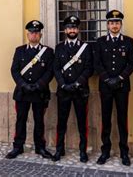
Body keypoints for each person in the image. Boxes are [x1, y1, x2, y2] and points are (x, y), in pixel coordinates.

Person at [6, 20, 54, 160]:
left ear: (40, 34)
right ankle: (18, 147)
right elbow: (14, 70)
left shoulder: (48, 52)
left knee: (39, 121)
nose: (34, 35)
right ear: (28, 34)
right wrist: (23, 84)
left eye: (37, 32)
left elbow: (50, 71)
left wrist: (39, 84)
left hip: (40, 92)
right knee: (20, 120)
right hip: (22, 92)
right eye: (32, 32)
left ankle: (40, 147)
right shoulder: (19, 50)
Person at [94, 10, 133, 166]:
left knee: (122, 119)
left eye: (117, 23)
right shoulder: (100, 42)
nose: (114, 25)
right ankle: (105, 150)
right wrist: (107, 79)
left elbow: (132, 64)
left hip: (122, 86)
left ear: (121, 25)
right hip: (105, 87)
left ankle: (124, 151)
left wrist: (119, 78)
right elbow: (97, 64)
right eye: (112, 23)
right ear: (107, 25)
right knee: (106, 119)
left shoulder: (128, 41)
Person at [52, 15, 93, 163]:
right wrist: (63, 84)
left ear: (78, 30)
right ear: (65, 30)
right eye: (69, 27)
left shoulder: (86, 48)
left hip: (80, 91)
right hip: (64, 91)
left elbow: (89, 68)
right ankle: (59, 149)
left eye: (74, 27)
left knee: (82, 123)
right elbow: (56, 68)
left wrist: (77, 83)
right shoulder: (59, 47)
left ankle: (83, 151)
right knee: (61, 122)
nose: (72, 30)